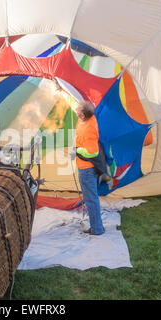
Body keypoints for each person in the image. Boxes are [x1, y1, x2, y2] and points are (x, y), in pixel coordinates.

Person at [74, 100, 105, 236]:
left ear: (82, 116)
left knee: (90, 199)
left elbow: (93, 152)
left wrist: (78, 150)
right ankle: (97, 225)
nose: (75, 110)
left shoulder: (89, 129)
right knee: (91, 198)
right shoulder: (89, 116)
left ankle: (97, 229)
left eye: (78, 110)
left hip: (87, 169)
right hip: (85, 167)